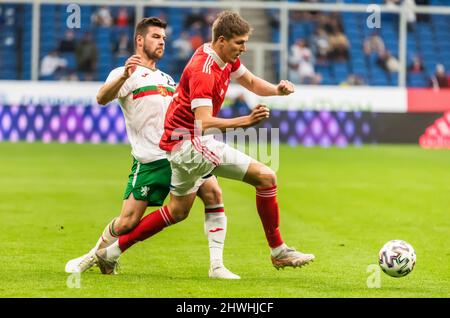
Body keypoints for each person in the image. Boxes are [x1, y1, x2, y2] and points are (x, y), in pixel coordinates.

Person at [94, 11, 315, 276]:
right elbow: (204, 122)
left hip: (180, 144)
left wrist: (277, 90)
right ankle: (278, 251)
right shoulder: (203, 71)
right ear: (222, 40)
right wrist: (245, 120)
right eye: (239, 43)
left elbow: (252, 82)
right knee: (265, 176)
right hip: (188, 143)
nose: (244, 49)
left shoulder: (222, 58)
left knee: (179, 210)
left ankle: (112, 252)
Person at [65, 17, 239, 280]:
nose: (161, 42)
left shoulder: (168, 79)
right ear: (139, 40)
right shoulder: (125, 72)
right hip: (150, 159)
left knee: (213, 193)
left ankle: (217, 266)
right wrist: (124, 74)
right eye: (156, 37)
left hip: (182, 152)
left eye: (164, 39)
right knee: (128, 221)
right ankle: (92, 256)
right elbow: (101, 98)